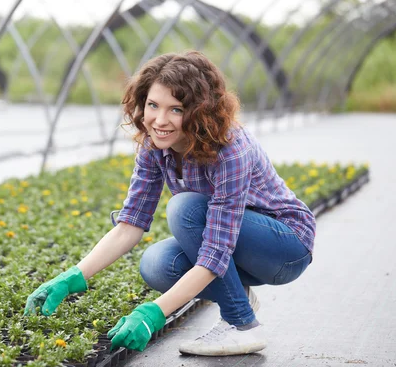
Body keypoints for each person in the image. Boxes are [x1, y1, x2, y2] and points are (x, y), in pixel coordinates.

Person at [24, 50, 316, 356]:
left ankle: (241, 326)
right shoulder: (154, 145)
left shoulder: (230, 149)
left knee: (185, 209)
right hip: (238, 246)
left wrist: (153, 313)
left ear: (200, 112)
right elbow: (130, 225)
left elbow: (216, 250)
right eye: (153, 105)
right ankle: (237, 298)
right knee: (158, 264)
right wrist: (72, 277)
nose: (159, 120)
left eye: (175, 110)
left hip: (285, 247)